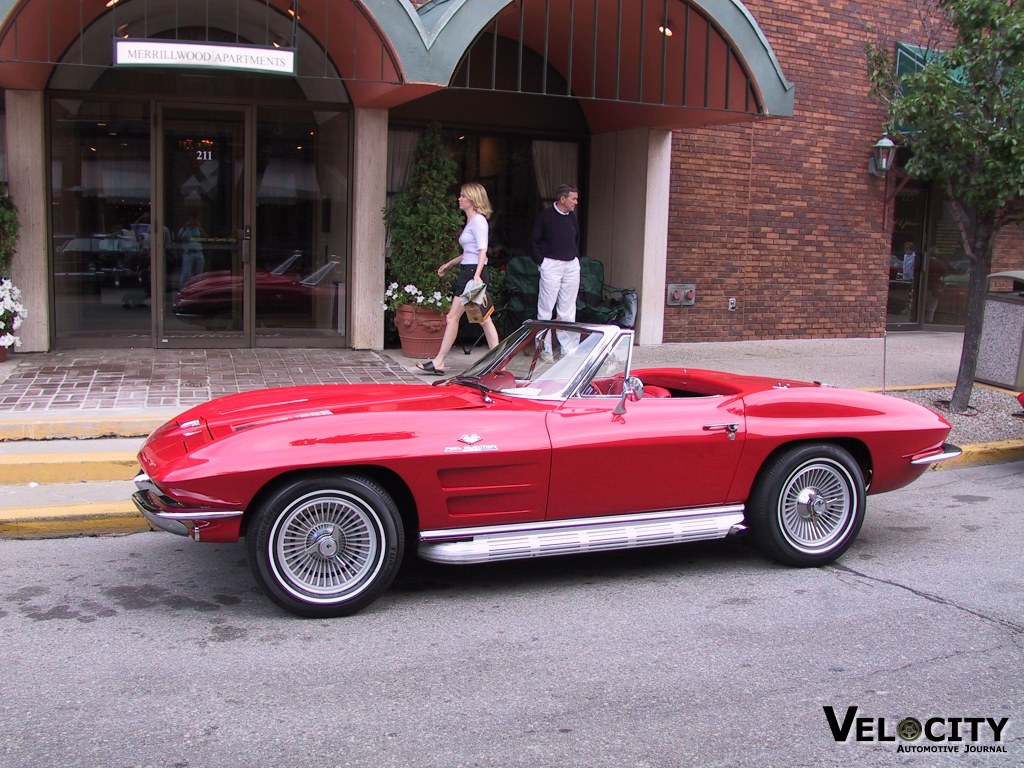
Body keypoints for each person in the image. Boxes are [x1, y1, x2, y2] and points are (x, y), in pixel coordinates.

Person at [416, 182, 500, 375]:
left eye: (463, 196)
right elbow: (469, 252)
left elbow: (482, 251)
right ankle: (497, 361)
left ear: (473, 199)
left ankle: (439, 362)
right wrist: (450, 263)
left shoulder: (479, 221)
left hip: (472, 274)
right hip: (469, 271)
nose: (459, 199)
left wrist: (477, 275)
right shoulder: (472, 221)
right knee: (483, 319)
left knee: (455, 317)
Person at [531, 184, 581, 360]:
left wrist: (575, 257)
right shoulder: (545, 217)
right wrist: (542, 262)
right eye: (573, 198)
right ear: (563, 199)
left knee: (568, 308)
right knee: (546, 307)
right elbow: (534, 241)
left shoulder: (572, 217)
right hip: (551, 264)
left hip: (571, 264)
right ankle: (544, 349)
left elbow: (576, 239)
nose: (576, 202)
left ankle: (569, 349)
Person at [177, 214, 205, 287]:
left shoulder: (198, 229)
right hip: (188, 253)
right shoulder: (184, 229)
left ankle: (197, 291)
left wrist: (200, 227)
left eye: (193, 220)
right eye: (190, 220)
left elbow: (206, 237)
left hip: (198, 253)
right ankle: (183, 291)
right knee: (186, 274)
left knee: (199, 275)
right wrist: (185, 227)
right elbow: (179, 238)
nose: (192, 222)